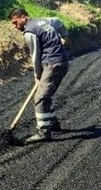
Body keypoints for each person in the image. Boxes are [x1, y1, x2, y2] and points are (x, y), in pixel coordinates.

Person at [9, 8, 69, 143]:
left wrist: (37, 75)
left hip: (52, 64)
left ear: (23, 17)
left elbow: (35, 55)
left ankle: (43, 131)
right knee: (45, 95)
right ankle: (53, 124)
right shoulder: (43, 21)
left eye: (15, 22)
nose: (15, 26)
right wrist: (65, 37)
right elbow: (58, 21)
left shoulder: (29, 32)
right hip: (62, 62)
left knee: (40, 98)